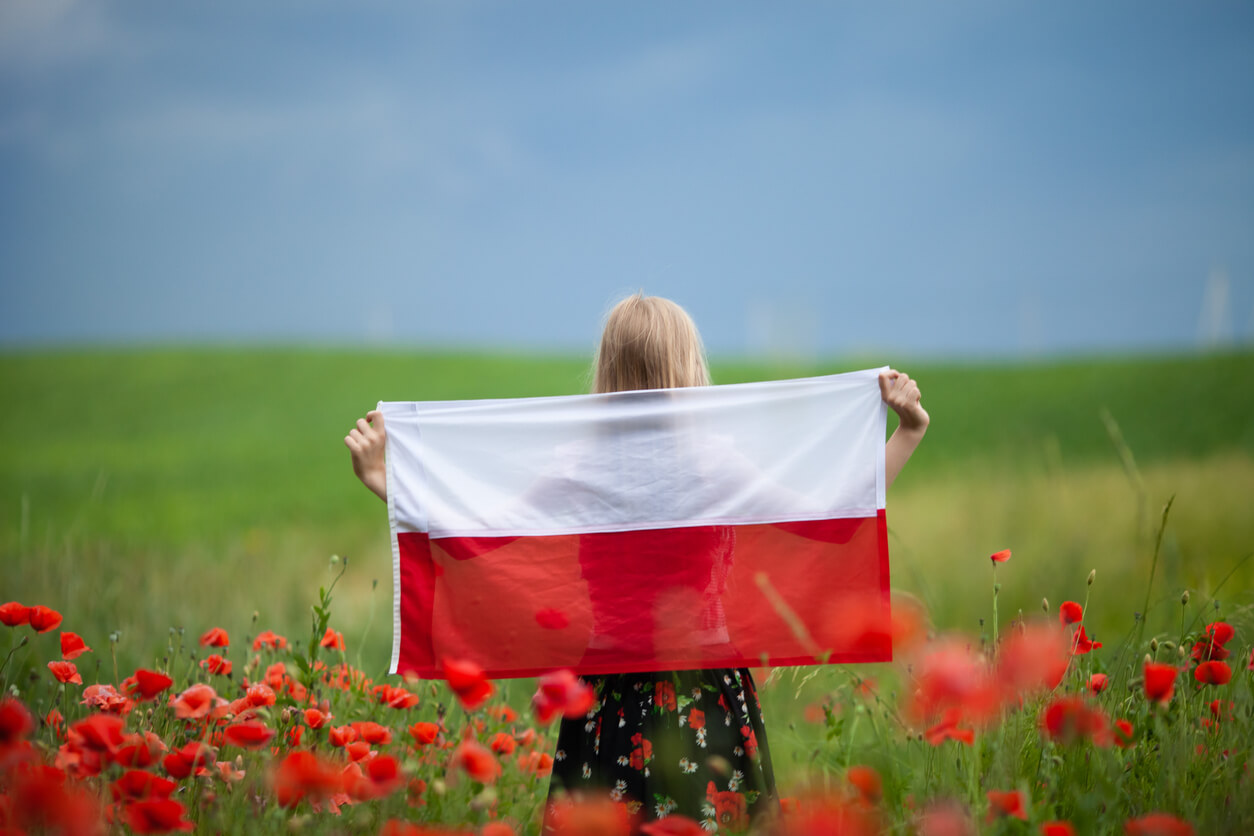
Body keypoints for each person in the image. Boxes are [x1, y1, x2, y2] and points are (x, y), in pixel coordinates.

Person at [345, 293, 929, 829]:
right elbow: (832, 519)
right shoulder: (713, 461)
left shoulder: (579, 462)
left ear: (608, 367)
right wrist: (908, 430)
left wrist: (381, 479)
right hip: (706, 694)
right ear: (686, 365)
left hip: (606, 701)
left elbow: (478, 534)